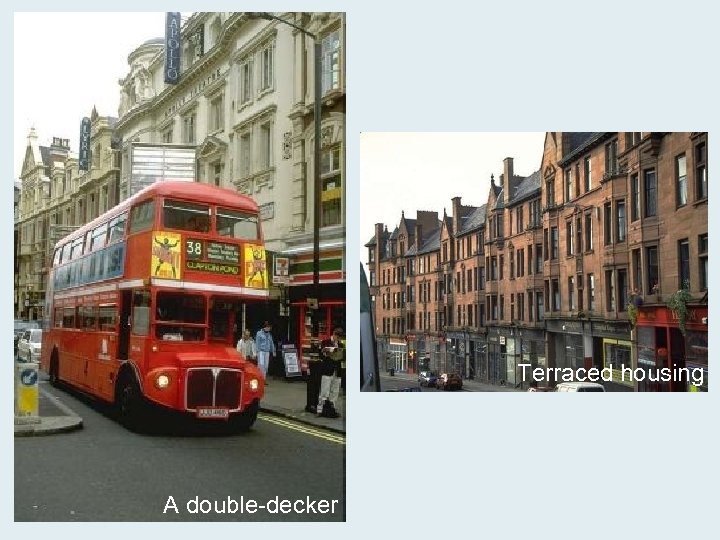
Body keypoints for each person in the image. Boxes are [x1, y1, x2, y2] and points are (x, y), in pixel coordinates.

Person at [317, 327, 344, 418]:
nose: (338, 339)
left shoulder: (340, 345)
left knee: (335, 391)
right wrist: (327, 351)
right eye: (337, 336)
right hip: (327, 369)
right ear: (334, 334)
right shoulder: (325, 342)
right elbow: (321, 355)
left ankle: (332, 409)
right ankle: (320, 410)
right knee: (324, 391)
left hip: (337, 371)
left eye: (340, 337)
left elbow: (342, 357)